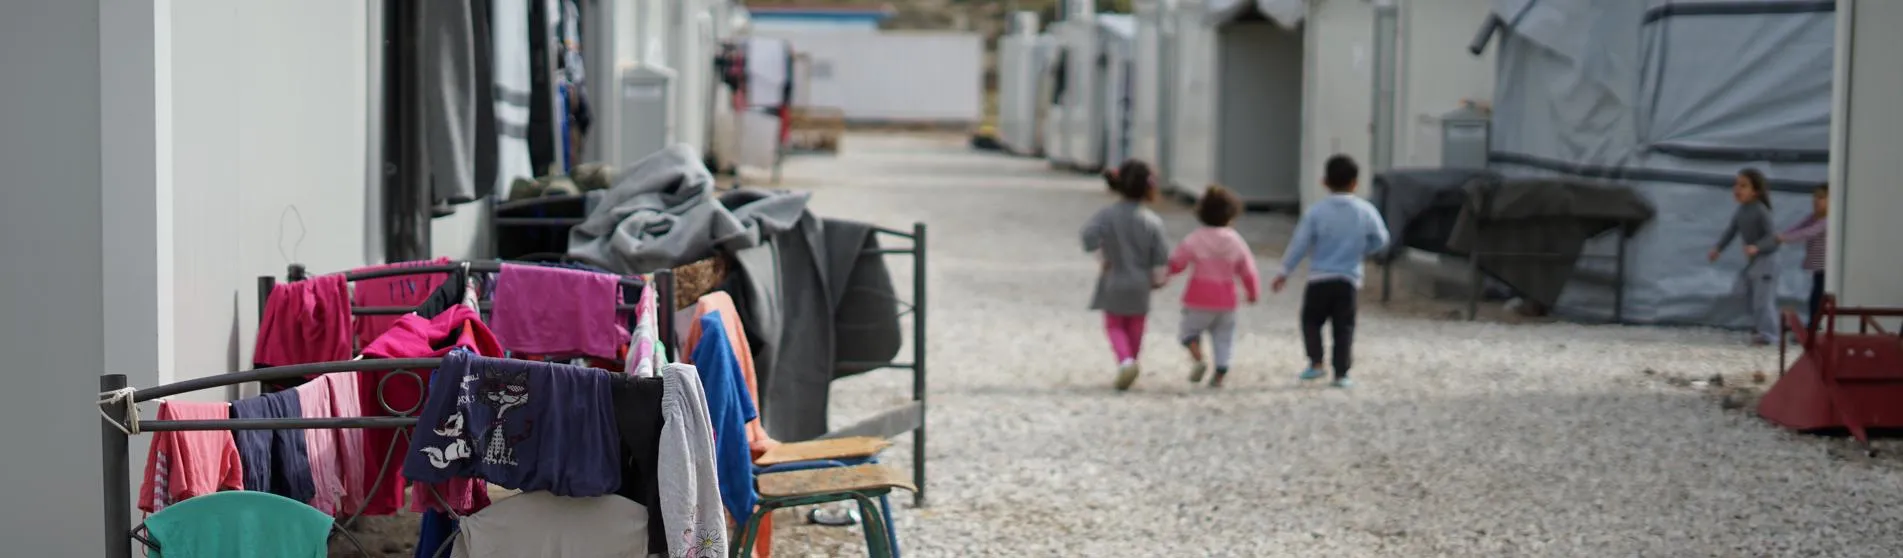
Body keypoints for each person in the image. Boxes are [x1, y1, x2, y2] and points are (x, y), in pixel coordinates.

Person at [1270, 155, 1389, 389]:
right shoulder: (1365, 211)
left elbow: (1300, 244)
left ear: (1324, 182)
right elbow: (1382, 239)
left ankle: (1316, 363)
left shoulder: (1316, 211)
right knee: (1343, 326)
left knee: (1311, 321)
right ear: (1355, 183)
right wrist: (1365, 250)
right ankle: (1341, 373)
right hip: (1349, 279)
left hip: (1319, 278)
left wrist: (1284, 271)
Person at [1082, 159, 1171, 391]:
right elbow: (1161, 254)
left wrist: (1102, 255)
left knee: (1114, 324)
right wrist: (1159, 276)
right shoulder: (1152, 221)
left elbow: (1088, 235)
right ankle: (1133, 360)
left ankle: (1125, 361)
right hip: (1141, 282)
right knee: (1136, 325)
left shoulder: (1107, 215)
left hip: (1114, 278)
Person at [1167, 185, 1260, 388]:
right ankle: (1220, 370)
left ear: (1200, 213)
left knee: (1188, 330)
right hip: (1227, 300)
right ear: (1232, 215)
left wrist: (1165, 274)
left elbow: (1177, 262)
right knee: (1223, 336)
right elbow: (1248, 269)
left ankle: (1197, 355)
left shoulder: (1195, 238)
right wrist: (1252, 292)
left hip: (1198, 298)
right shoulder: (1236, 241)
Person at [1708, 168, 1781, 345]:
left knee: (1763, 300)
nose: (1737, 189)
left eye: (1743, 186)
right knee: (1745, 293)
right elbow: (1731, 231)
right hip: (1754, 262)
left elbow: (1774, 239)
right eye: (1736, 185)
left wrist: (1757, 247)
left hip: (1767, 262)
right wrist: (1718, 248)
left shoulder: (1761, 210)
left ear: (1755, 191)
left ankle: (1771, 335)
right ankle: (1760, 328)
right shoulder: (1741, 211)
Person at [1779, 183, 1829, 330]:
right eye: (1814, 196)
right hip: (1817, 267)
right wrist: (1784, 235)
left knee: (1818, 298)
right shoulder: (1814, 217)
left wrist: (1787, 238)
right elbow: (1799, 226)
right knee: (1815, 296)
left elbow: (1809, 232)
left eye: (1821, 197)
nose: (1816, 200)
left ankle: (1814, 325)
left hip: (1825, 267)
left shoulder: (1827, 221)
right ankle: (1813, 324)